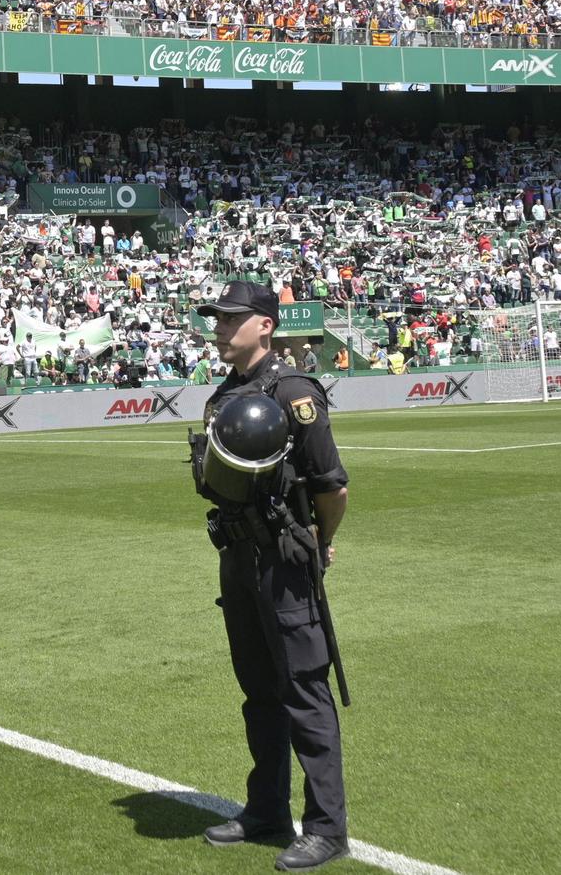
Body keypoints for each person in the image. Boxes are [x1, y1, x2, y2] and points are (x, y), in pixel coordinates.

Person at [192, 281, 350, 870]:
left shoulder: (294, 391)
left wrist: (320, 542)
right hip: (236, 557)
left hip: (284, 560)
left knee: (304, 689)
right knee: (258, 689)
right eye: (217, 319)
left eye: (232, 319)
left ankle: (327, 828)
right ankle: (265, 810)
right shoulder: (223, 396)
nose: (220, 328)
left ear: (264, 325)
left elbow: (332, 484)